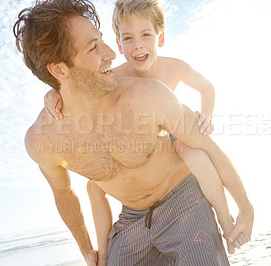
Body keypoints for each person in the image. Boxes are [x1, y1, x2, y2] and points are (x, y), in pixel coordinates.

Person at [14, 0, 254, 265]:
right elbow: (63, 192)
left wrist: (246, 207)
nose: (112, 54)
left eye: (102, 41)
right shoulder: (43, 142)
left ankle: (224, 218)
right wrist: (87, 249)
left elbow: (207, 146)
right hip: (130, 220)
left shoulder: (149, 94)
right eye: (94, 47)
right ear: (59, 70)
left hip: (184, 201)